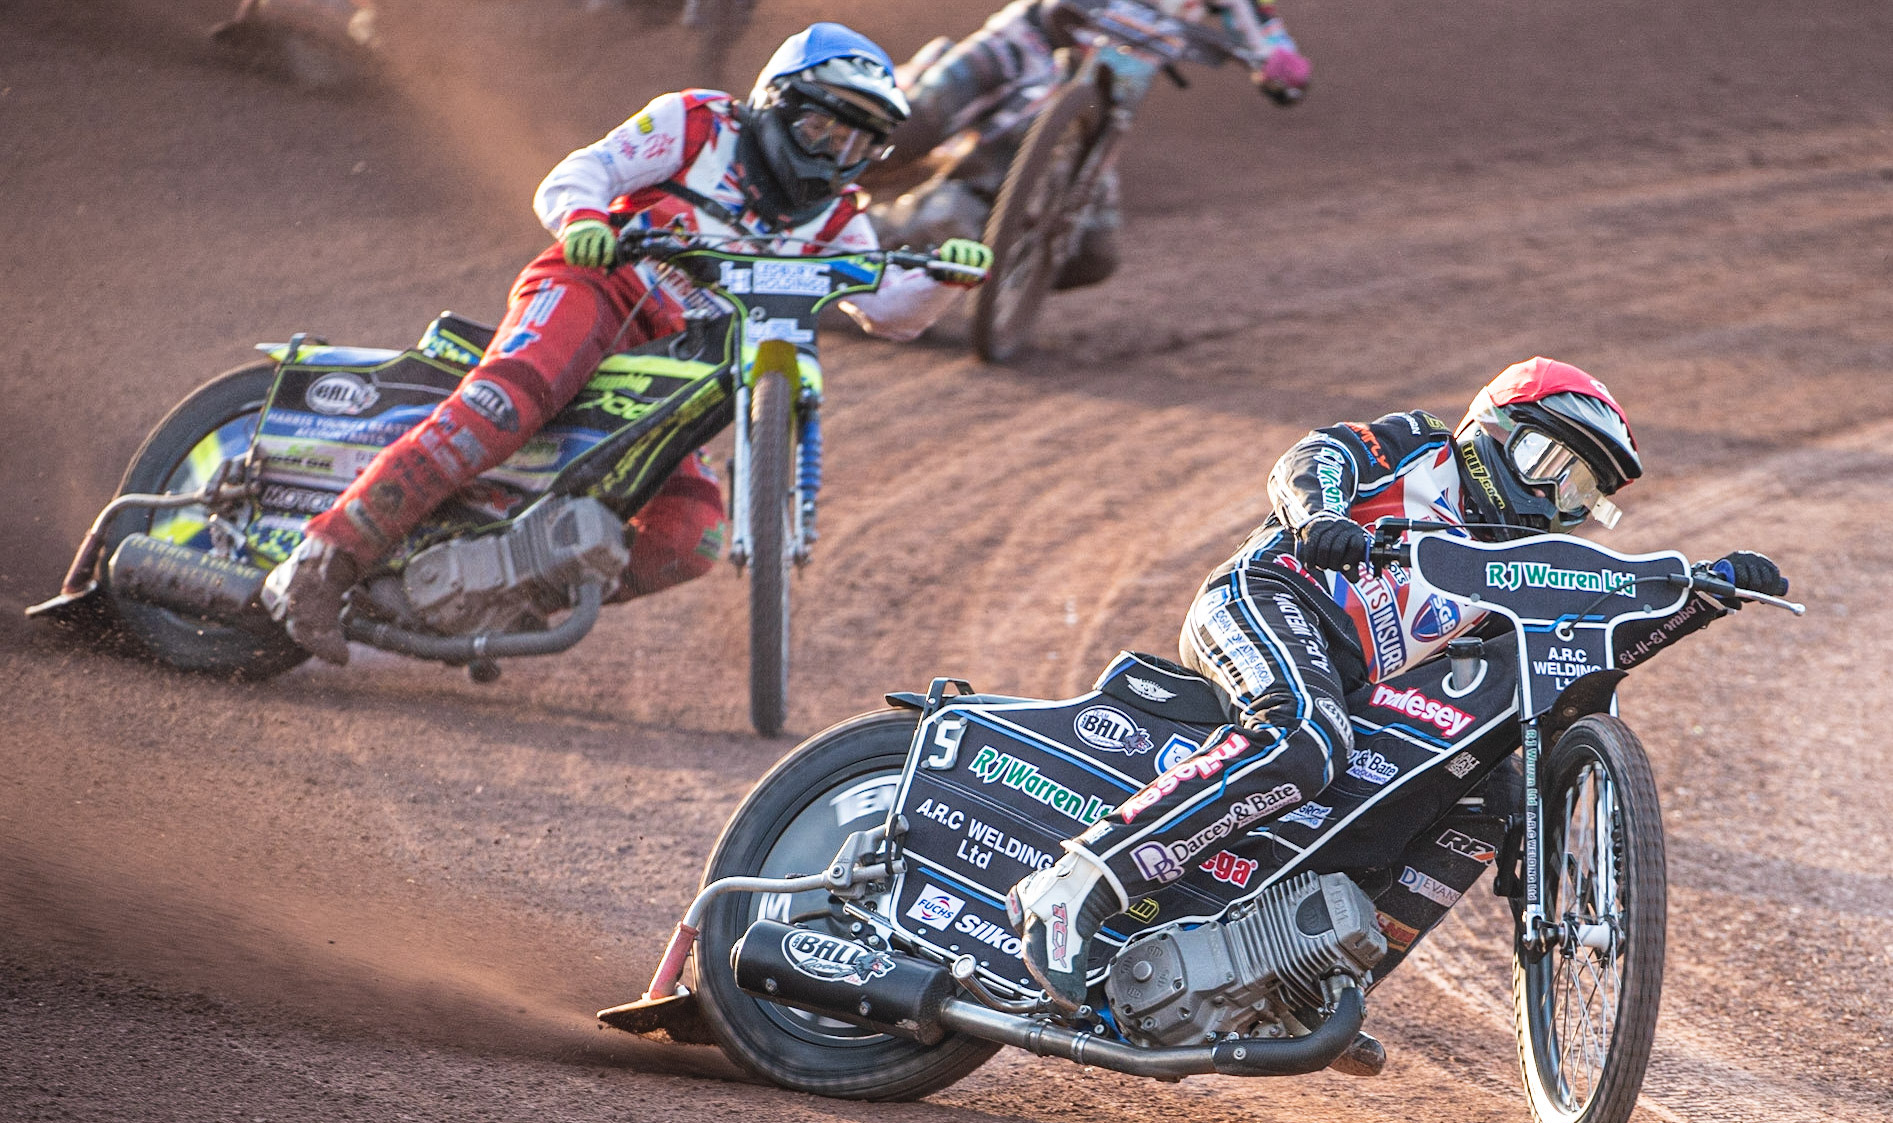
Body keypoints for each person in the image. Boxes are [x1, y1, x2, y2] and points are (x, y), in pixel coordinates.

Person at [1007, 357, 1789, 1009]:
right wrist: (1317, 519)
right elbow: (1312, 457)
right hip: (1269, 595)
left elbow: (1564, 665)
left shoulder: (1506, 577)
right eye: (1552, 468)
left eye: (1582, 494)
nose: (1558, 501)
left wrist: (1698, 601)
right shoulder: (1423, 447)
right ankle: (1074, 888)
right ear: (1495, 432)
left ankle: (1311, 985)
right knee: (1302, 738)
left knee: (1488, 785)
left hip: (1346, 676)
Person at [263, 23, 993, 665]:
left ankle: (493, 597)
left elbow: (890, 311)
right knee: (504, 406)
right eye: (824, 130)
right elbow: (582, 170)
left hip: (675, 366)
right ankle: (320, 560)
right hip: (598, 293)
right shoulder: (697, 122)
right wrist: (583, 216)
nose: (836, 155)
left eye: (859, 142)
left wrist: (943, 277)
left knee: (693, 535)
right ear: (777, 104)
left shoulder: (837, 216)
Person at [869, 0, 1311, 288]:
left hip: (1106, 95)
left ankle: (920, 266)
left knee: (1092, 255)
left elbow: (1264, 32)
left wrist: (1280, 64)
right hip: (1029, 38)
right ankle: (815, 202)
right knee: (908, 124)